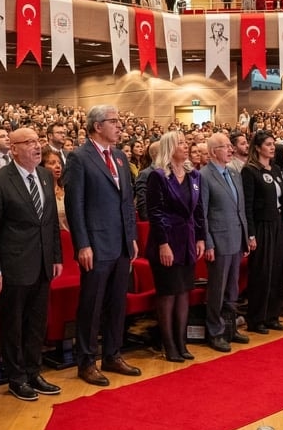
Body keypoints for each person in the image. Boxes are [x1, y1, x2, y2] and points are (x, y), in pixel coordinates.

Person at [0, 127, 63, 401]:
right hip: (13, 266)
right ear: (13, 149)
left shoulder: (45, 176)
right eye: (29, 142)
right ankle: (16, 378)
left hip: (43, 264)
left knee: (37, 323)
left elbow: (50, 223)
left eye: (38, 141)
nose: (37, 146)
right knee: (13, 326)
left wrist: (56, 256)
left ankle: (34, 372)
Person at [63, 104, 141, 386]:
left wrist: (131, 237)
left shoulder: (119, 156)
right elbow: (75, 206)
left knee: (117, 303)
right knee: (92, 305)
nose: (120, 126)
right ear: (97, 126)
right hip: (96, 244)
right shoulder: (79, 158)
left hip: (120, 243)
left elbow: (127, 202)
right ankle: (86, 361)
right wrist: (82, 244)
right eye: (113, 121)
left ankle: (112, 354)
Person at [145, 131, 205, 362]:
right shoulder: (158, 176)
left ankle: (182, 343)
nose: (185, 146)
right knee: (168, 293)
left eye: (185, 142)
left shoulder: (194, 175)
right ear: (170, 147)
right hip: (167, 241)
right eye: (180, 143)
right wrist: (163, 243)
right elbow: (155, 212)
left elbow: (198, 210)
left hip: (187, 240)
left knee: (183, 292)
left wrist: (200, 238)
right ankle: (169, 344)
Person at [199, 132, 249, 351]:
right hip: (218, 240)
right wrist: (208, 242)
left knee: (232, 288)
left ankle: (230, 328)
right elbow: (202, 214)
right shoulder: (204, 176)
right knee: (217, 290)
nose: (231, 149)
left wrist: (246, 237)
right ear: (213, 152)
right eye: (225, 146)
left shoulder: (234, 173)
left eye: (230, 146)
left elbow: (240, 208)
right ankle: (215, 332)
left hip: (236, 238)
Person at [241, 130, 283, 333]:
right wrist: (250, 234)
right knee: (262, 272)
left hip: (278, 223)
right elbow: (248, 205)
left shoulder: (275, 169)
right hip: (261, 226)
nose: (272, 147)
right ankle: (256, 318)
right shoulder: (250, 171)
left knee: (277, 271)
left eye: (273, 144)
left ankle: (272, 315)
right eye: (268, 144)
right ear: (258, 148)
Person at [41, 147, 69, 231]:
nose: (58, 166)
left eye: (59, 163)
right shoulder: (39, 192)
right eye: (52, 163)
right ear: (42, 167)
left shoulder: (66, 189)